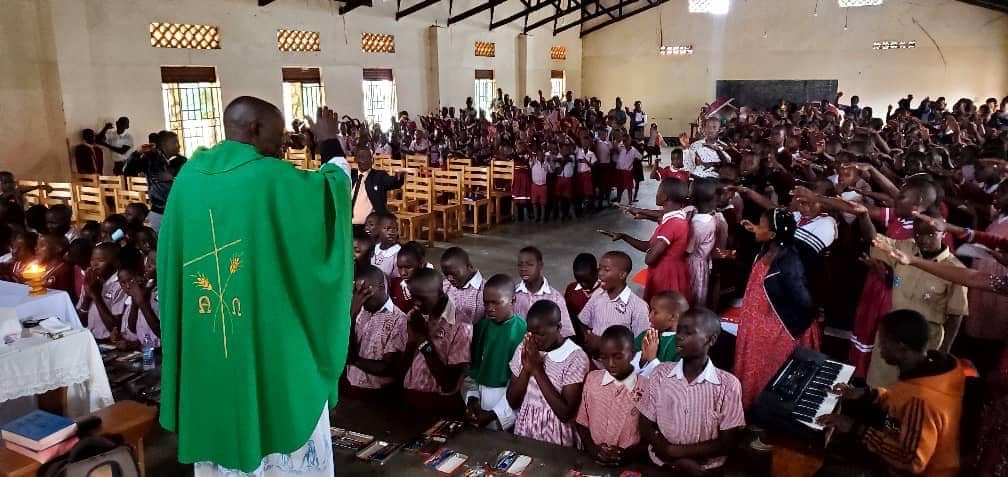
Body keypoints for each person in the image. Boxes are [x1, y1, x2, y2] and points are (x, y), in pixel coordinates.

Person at [158, 99, 353, 476]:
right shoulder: (268, 177)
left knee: (218, 408)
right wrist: (330, 145)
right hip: (267, 339)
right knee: (278, 413)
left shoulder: (189, 177)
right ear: (255, 129)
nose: (282, 147)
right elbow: (333, 199)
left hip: (206, 334)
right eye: (278, 137)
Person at [818, 310, 967, 477]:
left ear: (901, 348)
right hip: (900, 448)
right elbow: (901, 406)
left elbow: (911, 460)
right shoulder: (928, 371)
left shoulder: (921, 397)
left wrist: (855, 428)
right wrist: (869, 394)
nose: (880, 347)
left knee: (826, 471)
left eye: (883, 342)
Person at [859, 208, 968, 387]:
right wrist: (863, 215)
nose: (923, 239)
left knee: (910, 391)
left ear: (944, 232)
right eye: (917, 233)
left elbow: (956, 315)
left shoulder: (955, 270)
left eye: (930, 234)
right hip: (893, 336)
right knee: (878, 387)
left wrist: (944, 351)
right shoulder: (905, 248)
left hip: (924, 342)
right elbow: (875, 240)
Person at [638, 307, 745, 474]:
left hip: (706, 469)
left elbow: (727, 442)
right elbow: (645, 424)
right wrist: (668, 452)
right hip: (662, 462)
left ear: (711, 340)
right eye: (679, 330)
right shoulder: (660, 373)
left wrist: (677, 452)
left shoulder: (728, 385)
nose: (679, 336)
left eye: (688, 333)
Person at [733, 208, 820, 409]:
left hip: (777, 328)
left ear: (772, 234)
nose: (756, 229)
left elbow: (803, 301)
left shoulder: (789, 263)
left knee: (768, 372)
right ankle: (751, 407)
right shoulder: (769, 247)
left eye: (760, 226)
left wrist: (790, 328)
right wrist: (755, 228)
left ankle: (764, 415)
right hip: (757, 321)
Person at [507, 300, 590, 447]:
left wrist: (537, 370)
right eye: (530, 332)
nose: (535, 339)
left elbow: (565, 413)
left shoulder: (575, 357)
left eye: (541, 334)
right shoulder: (525, 348)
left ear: (558, 327)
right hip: (526, 430)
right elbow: (513, 401)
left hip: (557, 435)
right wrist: (526, 370)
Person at [602, 178, 693, 303]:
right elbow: (648, 246)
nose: (656, 194)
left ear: (664, 197)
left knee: (663, 308)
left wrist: (641, 214)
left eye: (658, 191)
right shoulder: (677, 217)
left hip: (666, 274)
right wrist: (624, 236)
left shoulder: (673, 224)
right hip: (669, 270)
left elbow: (649, 258)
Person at [401, 268, 472, 416]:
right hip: (410, 398)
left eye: (422, 298)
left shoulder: (461, 325)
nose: (417, 304)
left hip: (439, 405)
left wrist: (422, 339)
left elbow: (449, 383)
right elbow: (403, 365)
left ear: (440, 293)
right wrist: (412, 340)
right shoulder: (415, 316)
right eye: (413, 297)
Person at [576, 325, 646, 466]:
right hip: (594, 459)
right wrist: (593, 449)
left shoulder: (646, 387)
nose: (611, 364)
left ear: (632, 353)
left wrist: (626, 455)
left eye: (618, 357)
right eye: (604, 357)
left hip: (629, 462)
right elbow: (581, 421)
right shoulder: (592, 379)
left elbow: (649, 436)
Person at [463, 274, 526, 430]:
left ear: (512, 299)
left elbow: (520, 384)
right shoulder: (482, 327)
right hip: (481, 396)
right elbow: (474, 370)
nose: (490, 308)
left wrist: (494, 414)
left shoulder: (522, 331)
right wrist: (472, 399)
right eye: (486, 303)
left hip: (508, 400)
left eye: (496, 303)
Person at [344, 264, 407, 397]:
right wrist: (351, 317)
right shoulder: (357, 311)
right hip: (351, 385)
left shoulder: (398, 319)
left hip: (378, 394)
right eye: (357, 292)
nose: (362, 298)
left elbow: (386, 368)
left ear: (381, 287)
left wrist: (353, 360)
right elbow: (343, 348)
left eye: (366, 292)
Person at [575, 251, 650, 355]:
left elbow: (641, 344)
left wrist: (602, 343)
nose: (600, 273)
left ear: (622, 275)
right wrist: (588, 337)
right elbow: (583, 321)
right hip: (595, 359)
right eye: (599, 268)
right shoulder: (598, 295)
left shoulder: (638, 307)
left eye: (606, 270)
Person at [123, 130, 186, 232]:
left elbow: (189, 182)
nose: (179, 146)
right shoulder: (150, 159)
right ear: (165, 144)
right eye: (175, 142)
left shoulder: (182, 161)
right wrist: (136, 153)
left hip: (179, 209)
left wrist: (173, 178)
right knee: (158, 240)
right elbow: (127, 171)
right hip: (158, 210)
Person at [515, 246, 574, 337]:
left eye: (529, 264)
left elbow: (566, 333)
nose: (523, 269)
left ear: (540, 266)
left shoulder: (555, 298)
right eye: (520, 264)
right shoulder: (513, 294)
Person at [350, 146, 406, 234]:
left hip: (370, 228)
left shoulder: (378, 176)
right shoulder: (350, 176)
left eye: (369, 157)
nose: (367, 160)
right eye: (363, 157)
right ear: (356, 159)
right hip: (350, 226)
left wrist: (398, 178)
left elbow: (391, 182)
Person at [635, 291, 690, 376]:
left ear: (672, 317)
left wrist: (652, 359)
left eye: (655, 312)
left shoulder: (682, 345)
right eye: (651, 310)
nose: (650, 316)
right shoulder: (646, 335)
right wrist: (642, 359)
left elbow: (672, 379)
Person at [77, 242, 124, 341]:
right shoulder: (91, 281)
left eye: (101, 260)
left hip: (109, 341)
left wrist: (96, 296)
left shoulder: (120, 285)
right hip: (90, 338)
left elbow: (115, 327)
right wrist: (87, 296)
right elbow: (80, 319)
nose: (94, 264)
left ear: (115, 263)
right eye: (92, 260)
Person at [116, 253, 160, 349]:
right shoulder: (142, 292)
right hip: (147, 350)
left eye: (153, 262)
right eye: (147, 261)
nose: (128, 286)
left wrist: (140, 301)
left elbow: (160, 331)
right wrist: (136, 301)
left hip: (160, 352)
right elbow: (132, 328)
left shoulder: (157, 293)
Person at [440, 247, 485, 325]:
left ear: (469, 266)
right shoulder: (445, 286)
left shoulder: (485, 291)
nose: (449, 278)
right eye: (446, 275)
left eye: (454, 274)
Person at [564, 253, 599, 325]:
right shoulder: (571, 290)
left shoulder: (606, 291)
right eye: (578, 280)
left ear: (596, 272)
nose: (583, 284)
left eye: (587, 281)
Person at [390, 241, 426, 312]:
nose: (403, 273)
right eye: (400, 267)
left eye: (408, 267)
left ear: (421, 264)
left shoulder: (429, 287)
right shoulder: (394, 284)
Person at [370, 212, 400, 279]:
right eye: (387, 228)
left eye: (395, 229)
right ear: (378, 229)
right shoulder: (374, 249)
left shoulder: (398, 252)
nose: (391, 232)